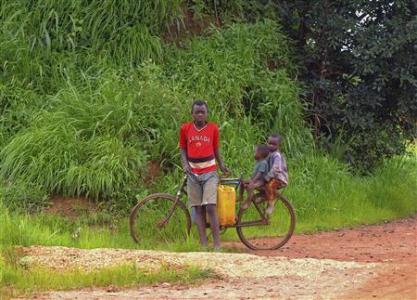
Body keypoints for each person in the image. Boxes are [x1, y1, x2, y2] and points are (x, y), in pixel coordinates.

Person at [179, 100, 228, 250]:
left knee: (210, 207)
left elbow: (216, 149)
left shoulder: (213, 128)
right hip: (193, 174)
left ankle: (217, 244)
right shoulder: (185, 129)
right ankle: (203, 244)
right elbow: (182, 149)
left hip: (210, 173)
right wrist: (185, 164)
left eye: (203, 112)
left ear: (207, 114)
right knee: (198, 208)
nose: (200, 115)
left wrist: (222, 165)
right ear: (192, 114)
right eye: (197, 112)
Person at [264, 133, 289, 215]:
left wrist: (267, 177)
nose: (271, 145)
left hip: (279, 178)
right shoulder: (269, 154)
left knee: (269, 186)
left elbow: (276, 169)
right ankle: (264, 198)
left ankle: (271, 205)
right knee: (262, 186)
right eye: (269, 143)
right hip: (272, 177)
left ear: (279, 146)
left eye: (274, 144)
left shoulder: (277, 155)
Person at [240, 144, 270, 210]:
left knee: (251, 186)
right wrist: (250, 180)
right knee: (242, 182)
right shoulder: (258, 161)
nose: (254, 154)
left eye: (255, 152)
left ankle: (248, 202)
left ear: (260, 154)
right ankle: (240, 197)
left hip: (262, 181)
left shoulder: (263, 163)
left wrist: (252, 181)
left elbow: (259, 174)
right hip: (256, 179)